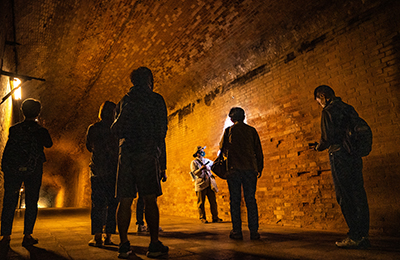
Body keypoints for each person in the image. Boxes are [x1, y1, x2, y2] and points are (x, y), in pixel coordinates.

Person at [111, 67, 168, 259]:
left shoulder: (123, 101)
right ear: (149, 80)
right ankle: (153, 244)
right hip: (146, 153)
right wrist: (160, 159)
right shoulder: (155, 99)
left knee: (125, 200)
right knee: (150, 199)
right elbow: (162, 131)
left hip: (126, 154)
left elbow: (116, 130)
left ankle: (124, 245)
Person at [312, 85, 370, 249]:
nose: (320, 105)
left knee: (344, 195)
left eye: (319, 101)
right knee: (358, 193)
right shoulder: (347, 108)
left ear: (322, 96)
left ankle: (354, 236)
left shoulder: (328, 111)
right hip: (354, 155)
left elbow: (327, 138)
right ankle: (363, 235)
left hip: (339, 155)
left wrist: (318, 147)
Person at [0, 98, 53, 247]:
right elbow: (49, 144)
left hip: (14, 170)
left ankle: (5, 236)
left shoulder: (14, 129)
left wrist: (6, 167)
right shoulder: (40, 131)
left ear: (23, 111)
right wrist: (40, 128)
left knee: (9, 202)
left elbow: (10, 147)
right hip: (34, 170)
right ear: (38, 112)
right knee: (31, 202)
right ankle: (27, 235)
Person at [219, 107, 263, 240]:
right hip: (250, 169)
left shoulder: (229, 131)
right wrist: (259, 168)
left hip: (234, 170)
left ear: (231, 119)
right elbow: (258, 151)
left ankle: (237, 231)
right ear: (244, 117)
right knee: (251, 200)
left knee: (235, 201)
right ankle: (254, 232)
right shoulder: (252, 131)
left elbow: (222, 148)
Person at [85, 101, 119, 247]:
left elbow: (88, 146)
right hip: (114, 172)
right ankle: (109, 237)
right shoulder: (117, 129)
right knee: (112, 205)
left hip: (98, 171)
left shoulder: (93, 128)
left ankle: (97, 236)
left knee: (98, 204)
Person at [190, 146, 222, 224]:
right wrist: (201, 168)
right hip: (201, 184)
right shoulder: (194, 162)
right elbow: (194, 173)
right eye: (201, 151)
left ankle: (215, 217)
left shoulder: (207, 160)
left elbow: (214, 164)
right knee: (201, 202)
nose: (203, 152)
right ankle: (202, 217)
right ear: (197, 154)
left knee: (213, 201)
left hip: (209, 183)